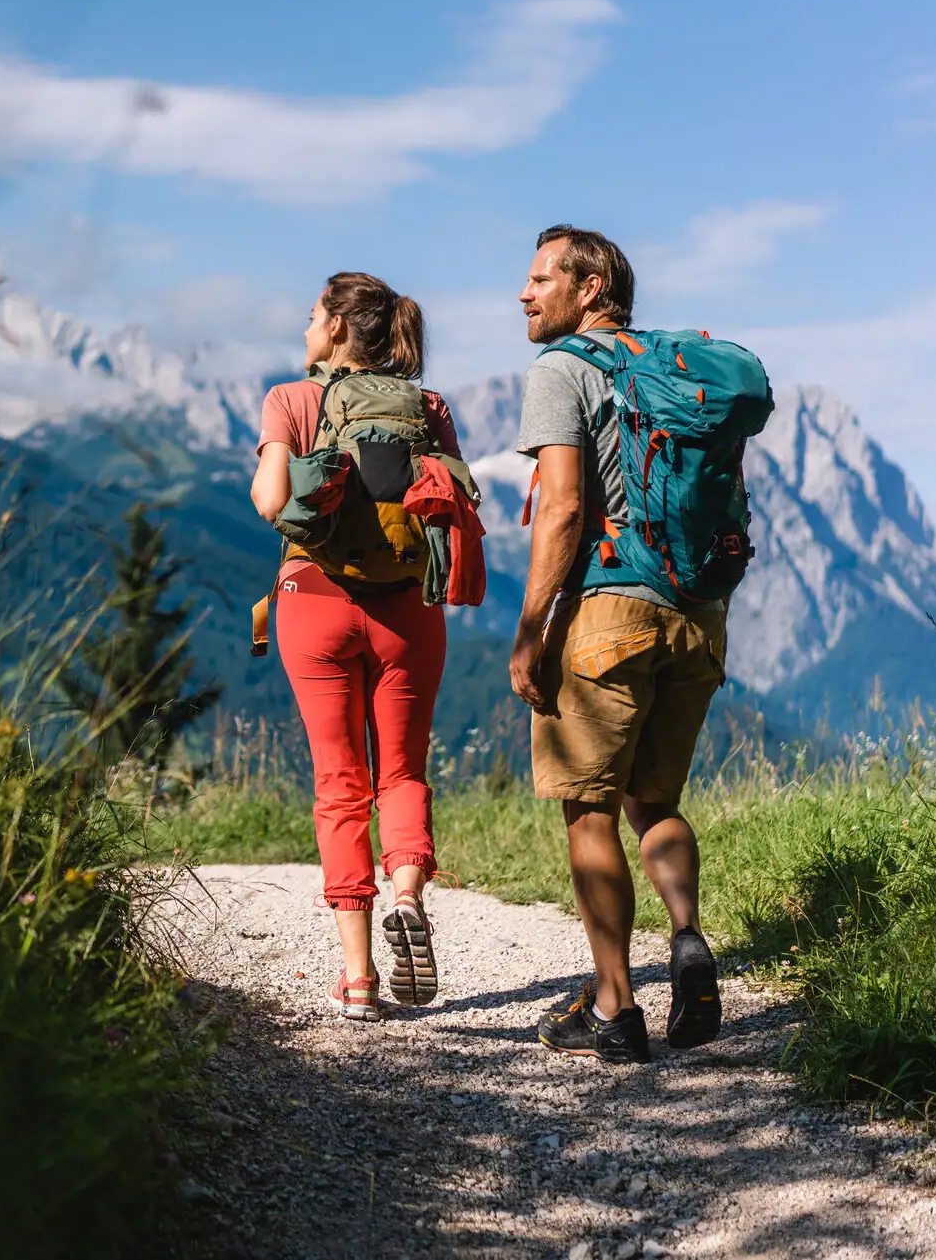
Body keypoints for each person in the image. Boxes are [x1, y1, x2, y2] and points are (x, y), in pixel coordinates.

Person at [509, 226, 726, 1064]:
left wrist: (532, 630)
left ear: (589, 287)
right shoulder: (673, 369)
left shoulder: (560, 369)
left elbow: (561, 507)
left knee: (589, 807)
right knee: (656, 803)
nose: (524, 295)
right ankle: (687, 937)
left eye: (538, 280)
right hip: (695, 615)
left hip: (606, 613)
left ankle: (614, 1006)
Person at [250, 272, 470, 1021]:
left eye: (313, 316)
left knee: (337, 782)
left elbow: (271, 502)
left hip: (312, 602)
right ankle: (406, 891)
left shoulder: (292, 398)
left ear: (340, 328)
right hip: (407, 607)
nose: (306, 327)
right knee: (401, 771)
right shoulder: (427, 406)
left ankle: (358, 978)